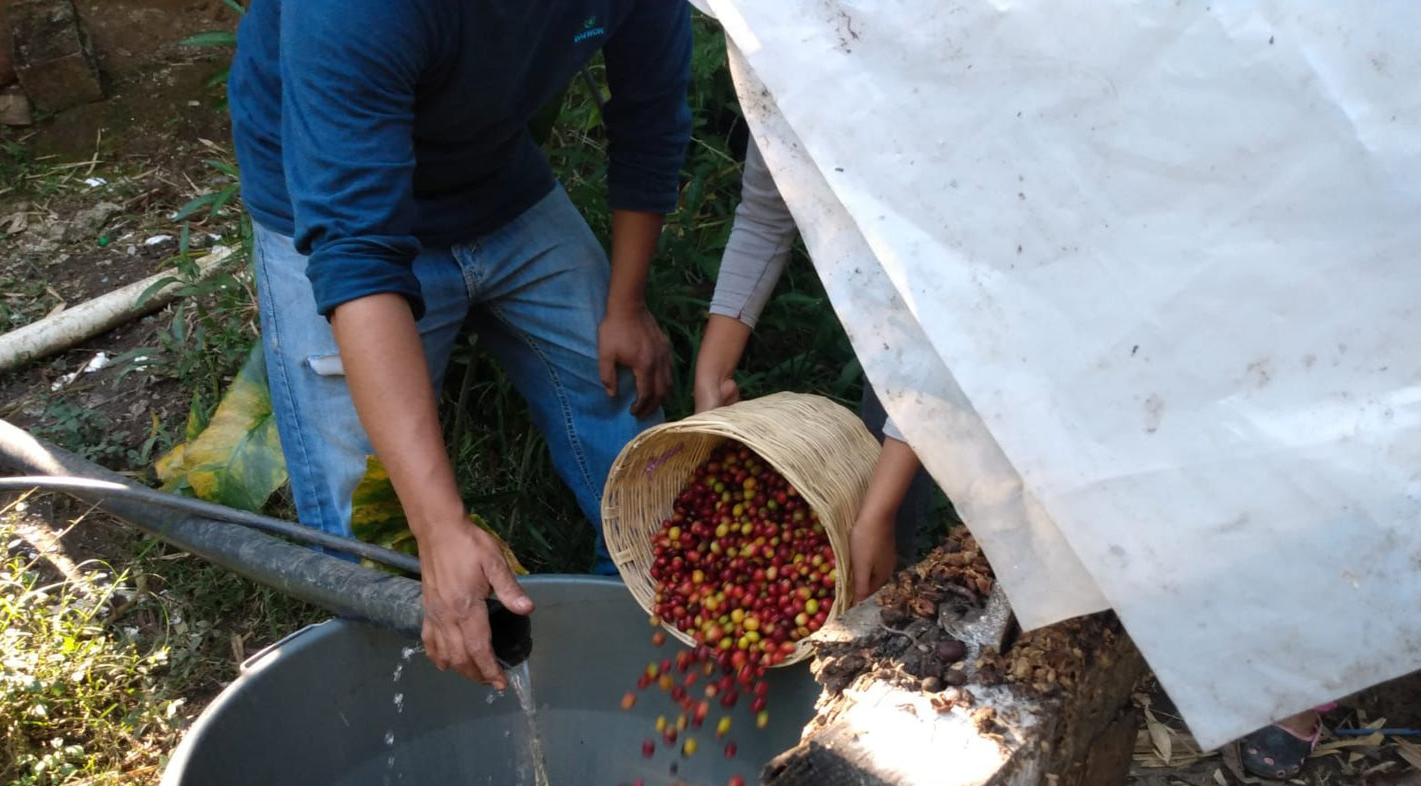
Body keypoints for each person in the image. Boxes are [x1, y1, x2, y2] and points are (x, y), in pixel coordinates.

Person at [228, 1, 693, 690]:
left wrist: (625, 306)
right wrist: (439, 526)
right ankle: (413, 691)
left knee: (627, 419)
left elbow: (651, 119)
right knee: (368, 521)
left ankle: (635, 643)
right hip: (324, 199)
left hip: (496, 175)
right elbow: (357, 253)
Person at [693, 139, 933, 602]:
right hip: (905, 318)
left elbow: (945, 325)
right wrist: (712, 372)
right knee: (879, 480)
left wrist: (877, 514)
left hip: (1005, 293)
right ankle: (880, 581)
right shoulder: (770, 77)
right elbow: (765, 216)